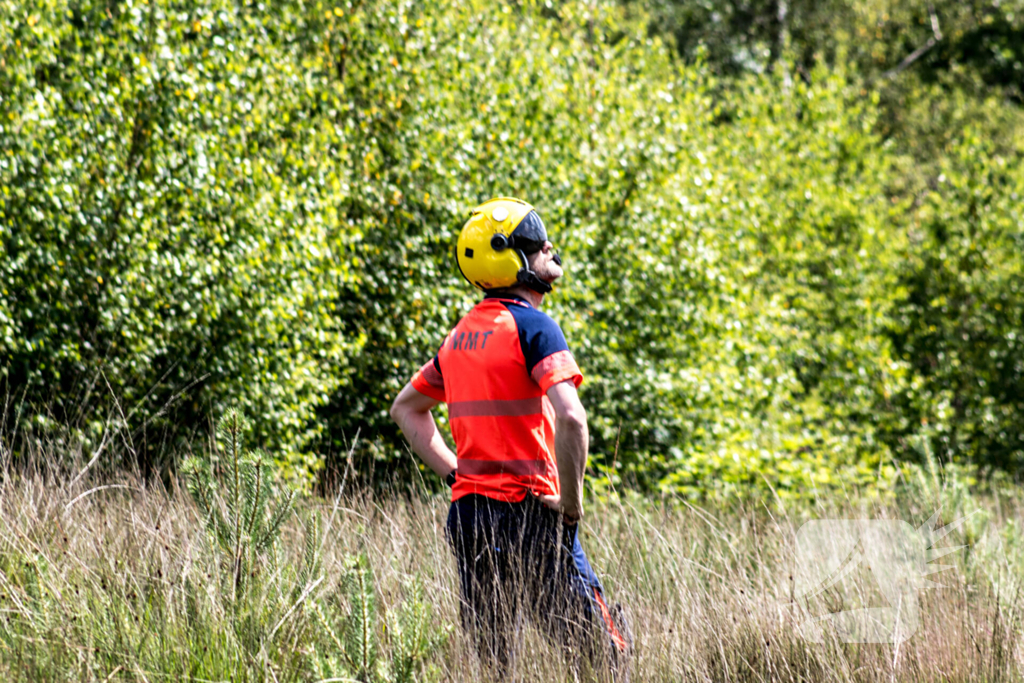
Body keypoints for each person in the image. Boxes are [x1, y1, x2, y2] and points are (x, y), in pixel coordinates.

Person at [389, 197, 631, 679]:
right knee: (605, 655)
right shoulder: (534, 326)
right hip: (532, 515)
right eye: (536, 244)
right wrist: (571, 501)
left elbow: (406, 409)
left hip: (471, 518)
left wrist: (455, 473)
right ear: (514, 261)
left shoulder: (459, 337)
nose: (549, 247)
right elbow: (572, 419)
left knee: (495, 667)